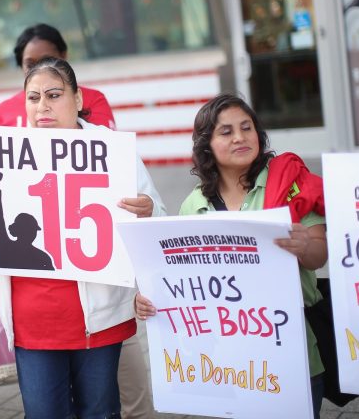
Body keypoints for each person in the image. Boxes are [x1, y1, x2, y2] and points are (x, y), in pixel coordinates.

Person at [0, 57, 165, 418]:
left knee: (100, 411)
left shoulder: (112, 150)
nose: (43, 106)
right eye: (33, 98)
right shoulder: (3, 153)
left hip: (98, 319)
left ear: (79, 99)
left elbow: (159, 215)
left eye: (54, 95)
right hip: (31, 320)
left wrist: (147, 209)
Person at [135, 92, 329, 419]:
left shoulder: (289, 183)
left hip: (293, 357)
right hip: (229, 365)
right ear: (206, 145)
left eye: (247, 127)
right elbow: (179, 282)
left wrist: (304, 246)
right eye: (226, 132)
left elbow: (319, 256)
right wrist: (149, 299)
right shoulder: (193, 205)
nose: (240, 137)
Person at [0, 23, 116, 129]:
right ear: (21, 65)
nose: (42, 107)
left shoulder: (94, 99)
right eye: (30, 65)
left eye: (54, 96)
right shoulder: (1, 112)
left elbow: (106, 148)